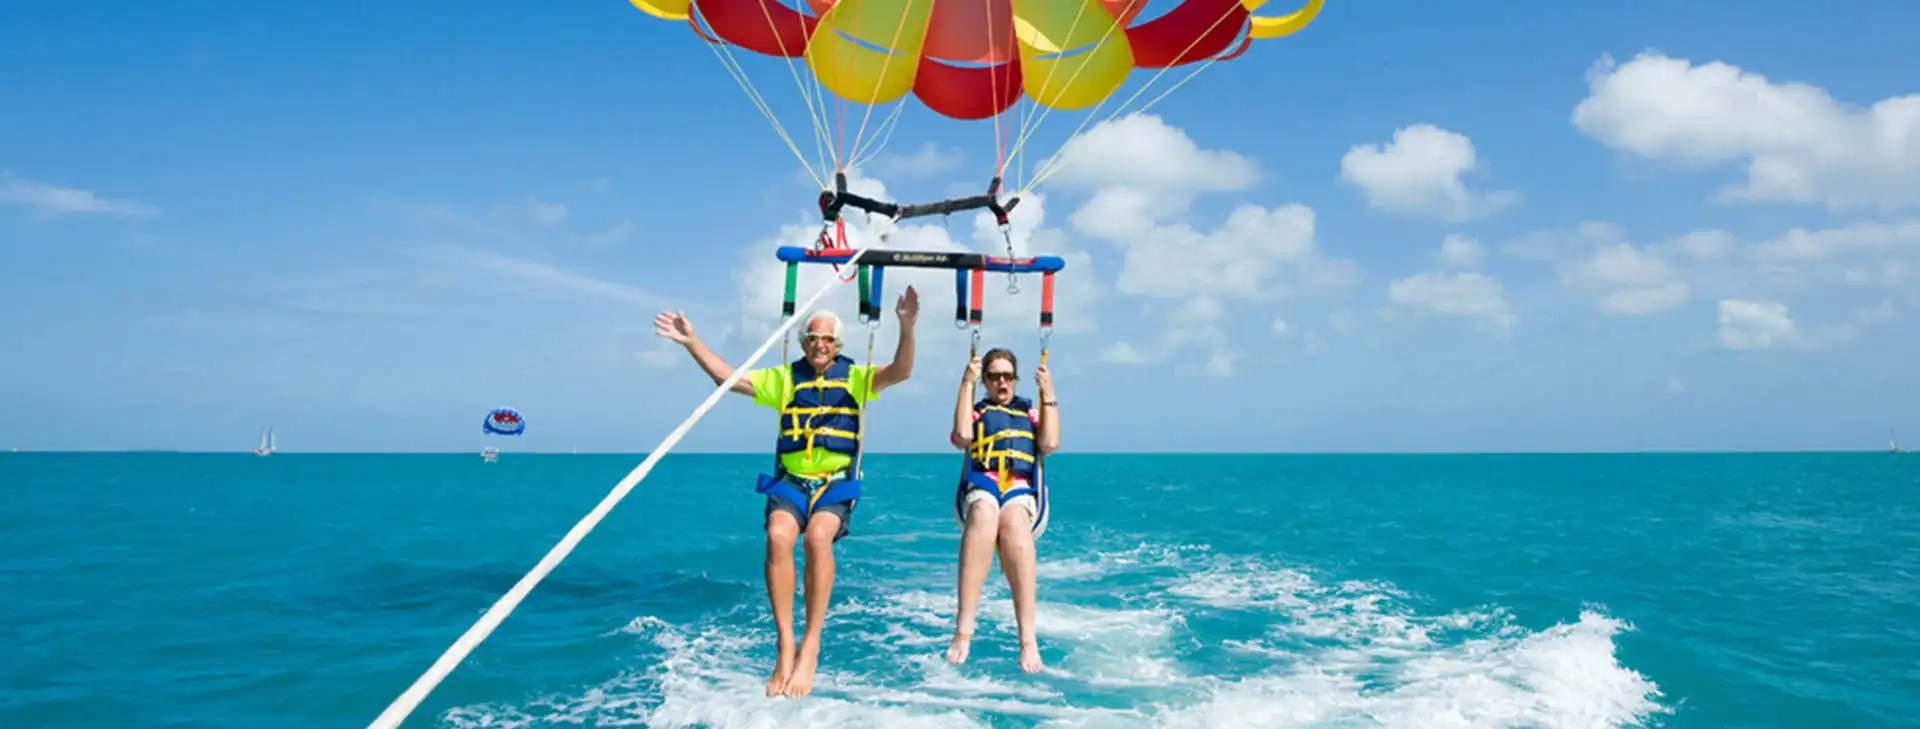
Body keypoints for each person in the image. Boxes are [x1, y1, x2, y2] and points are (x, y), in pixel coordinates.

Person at [652, 285, 920, 698]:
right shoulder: (784, 378)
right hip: (791, 481)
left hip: (835, 482)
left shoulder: (856, 375)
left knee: (817, 538)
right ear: (803, 342)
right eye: (812, 337)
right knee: (779, 536)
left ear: (838, 344)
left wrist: (907, 325)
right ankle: (786, 644)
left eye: (827, 338)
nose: (819, 344)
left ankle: (811, 644)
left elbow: (901, 371)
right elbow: (728, 379)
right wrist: (692, 342)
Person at [945, 346, 1058, 673]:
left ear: (1016, 379)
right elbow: (963, 438)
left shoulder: (1031, 413)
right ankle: (963, 631)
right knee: (984, 512)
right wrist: (965, 384)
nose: (1002, 383)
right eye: (994, 377)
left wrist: (1048, 393)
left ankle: (1027, 639)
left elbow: (1049, 444)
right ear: (986, 381)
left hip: (1022, 489)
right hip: (982, 486)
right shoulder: (977, 411)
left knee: (1013, 523)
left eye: (1008, 377)